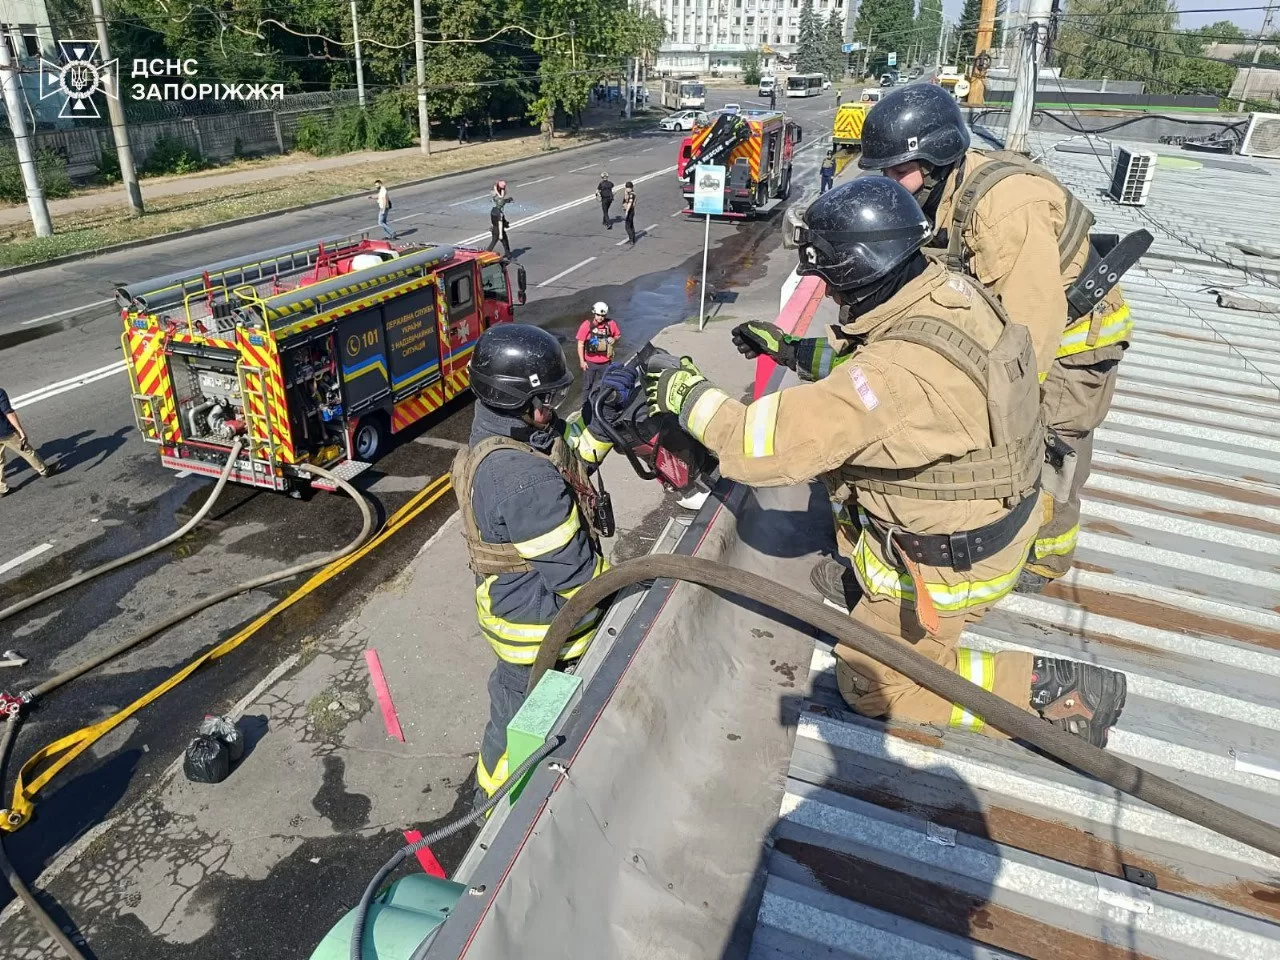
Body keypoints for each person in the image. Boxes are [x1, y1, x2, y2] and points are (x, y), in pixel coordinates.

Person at [649, 177, 1127, 747]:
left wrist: (681, 390)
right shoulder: (947, 291)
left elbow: (758, 444)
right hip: (995, 520)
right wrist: (794, 351)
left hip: (951, 567)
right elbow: (873, 369)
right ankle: (883, 600)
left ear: (851, 271)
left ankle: (1045, 691)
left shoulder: (895, 377)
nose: (827, 293)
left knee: (872, 687)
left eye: (827, 278)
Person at [855, 83, 1136, 594]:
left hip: (1070, 345)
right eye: (885, 173)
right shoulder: (942, 194)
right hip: (1026, 328)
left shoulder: (1004, 208)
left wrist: (1009, 405)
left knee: (1047, 447)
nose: (892, 184)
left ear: (937, 159)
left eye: (899, 172)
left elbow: (1034, 324)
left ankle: (1045, 556)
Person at [453, 324, 626, 799]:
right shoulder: (524, 481)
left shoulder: (501, 438)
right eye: (547, 399)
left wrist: (602, 420)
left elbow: (567, 453)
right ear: (518, 401)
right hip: (542, 638)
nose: (552, 408)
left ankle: (495, 799)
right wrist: (634, 600)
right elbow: (583, 584)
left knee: (510, 719)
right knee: (520, 734)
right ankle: (492, 813)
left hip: (515, 618)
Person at [0, 386, 59, 497]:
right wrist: (20, 430)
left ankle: (2, 488)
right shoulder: (0, 392)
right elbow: (8, 413)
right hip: (5, 432)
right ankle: (45, 471)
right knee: (26, 451)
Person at [577, 302, 621, 398]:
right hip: (590, 363)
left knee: (605, 385)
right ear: (594, 313)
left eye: (603, 315)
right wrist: (582, 361)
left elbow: (618, 335)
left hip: (605, 362)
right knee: (587, 386)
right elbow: (580, 344)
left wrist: (614, 339)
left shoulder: (610, 324)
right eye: (598, 315)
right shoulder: (587, 325)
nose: (600, 317)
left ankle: (602, 402)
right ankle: (586, 404)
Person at [488, 184, 512, 257]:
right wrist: (501, 234)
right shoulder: (500, 213)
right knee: (505, 243)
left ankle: (486, 253)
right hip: (499, 230)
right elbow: (500, 223)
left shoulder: (493, 210)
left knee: (493, 242)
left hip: (494, 229)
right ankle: (509, 256)